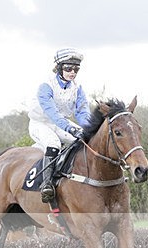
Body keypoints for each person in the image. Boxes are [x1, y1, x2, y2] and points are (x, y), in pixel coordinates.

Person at [28, 47, 93, 203]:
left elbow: (82, 111)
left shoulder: (77, 87)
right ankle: (46, 185)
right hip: (41, 123)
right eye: (68, 68)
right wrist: (69, 128)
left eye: (76, 69)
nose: (72, 72)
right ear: (59, 68)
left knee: (85, 141)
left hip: (60, 123)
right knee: (53, 143)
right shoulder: (46, 85)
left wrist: (89, 129)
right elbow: (52, 113)